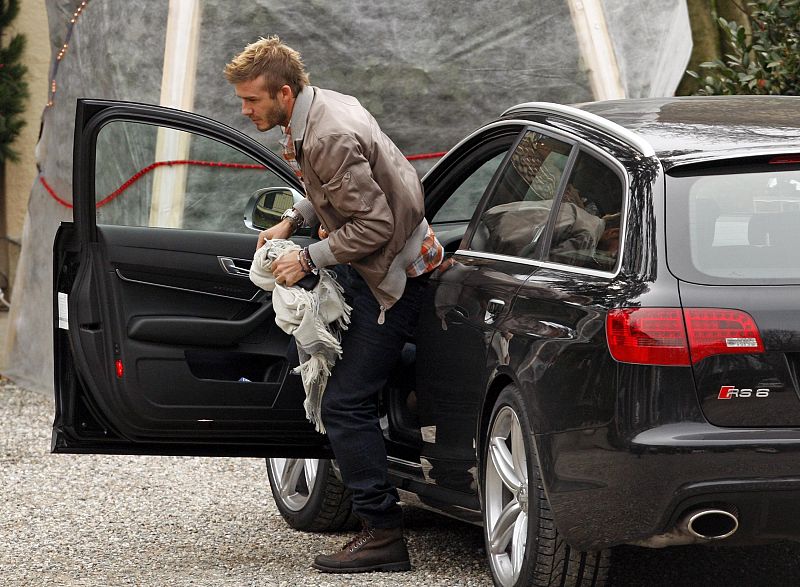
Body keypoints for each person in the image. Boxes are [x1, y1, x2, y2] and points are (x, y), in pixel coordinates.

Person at [224, 36, 443, 573]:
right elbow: (334, 188)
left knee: (344, 403)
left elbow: (375, 224)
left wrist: (308, 257)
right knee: (370, 379)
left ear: (282, 92)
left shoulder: (326, 135)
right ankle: (425, 417)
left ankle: (384, 534)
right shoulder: (322, 107)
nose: (245, 110)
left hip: (393, 277)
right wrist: (293, 219)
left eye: (251, 100)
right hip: (395, 263)